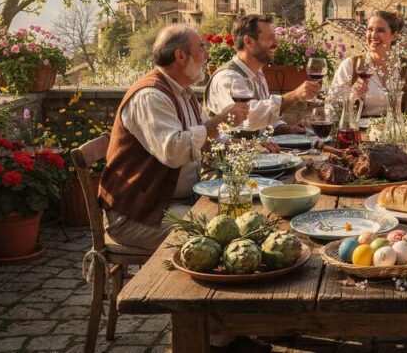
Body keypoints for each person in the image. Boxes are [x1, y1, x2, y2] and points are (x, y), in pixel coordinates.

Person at [97, 25, 244, 251]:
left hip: (172, 204)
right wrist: (218, 122)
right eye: (201, 48)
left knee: (238, 218)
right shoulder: (151, 96)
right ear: (181, 55)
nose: (207, 55)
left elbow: (207, 138)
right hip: (137, 215)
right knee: (220, 237)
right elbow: (174, 152)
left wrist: (244, 147)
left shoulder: (183, 92)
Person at [204, 14, 321, 134]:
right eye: (270, 38)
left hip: (254, 150)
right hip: (230, 152)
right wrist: (295, 96)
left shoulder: (258, 74)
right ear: (249, 41)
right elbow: (250, 117)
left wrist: (290, 130)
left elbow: (266, 123)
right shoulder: (228, 78)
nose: (276, 43)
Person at [330, 10, 407, 120]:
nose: (373, 35)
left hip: (396, 133)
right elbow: (331, 106)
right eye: (370, 29)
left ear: (394, 36)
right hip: (357, 134)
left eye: (381, 30)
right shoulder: (350, 65)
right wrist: (352, 95)